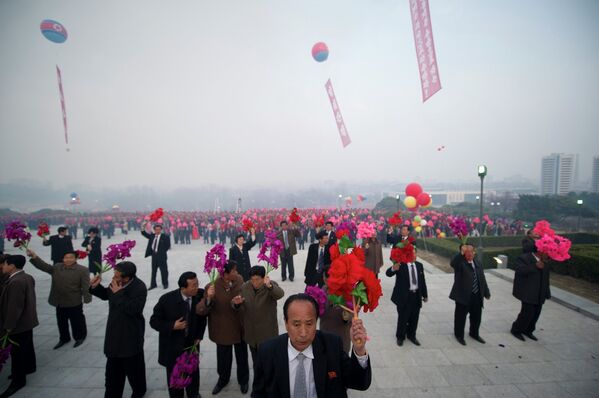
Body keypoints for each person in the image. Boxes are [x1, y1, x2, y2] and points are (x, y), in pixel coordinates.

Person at [252, 293, 372, 397]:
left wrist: (359, 349)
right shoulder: (267, 351)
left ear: (316, 321)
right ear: (286, 323)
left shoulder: (332, 345)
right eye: (296, 324)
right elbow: (259, 393)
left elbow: (359, 383)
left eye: (309, 324)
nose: (303, 333)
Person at [90, 262, 148, 398]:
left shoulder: (139, 287)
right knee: (112, 374)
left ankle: (139, 391)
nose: (113, 278)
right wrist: (95, 287)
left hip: (131, 335)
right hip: (114, 334)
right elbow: (106, 295)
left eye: (117, 276)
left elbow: (134, 309)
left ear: (126, 278)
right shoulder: (116, 283)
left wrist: (119, 294)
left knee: (135, 371)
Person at [150, 272, 207, 398]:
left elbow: (202, 318)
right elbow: (154, 321)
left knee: (193, 373)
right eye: (193, 285)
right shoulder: (166, 300)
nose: (197, 287)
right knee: (175, 380)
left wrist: (199, 336)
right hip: (173, 348)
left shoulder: (199, 295)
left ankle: (193, 394)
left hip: (191, 345)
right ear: (183, 288)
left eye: (197, 283)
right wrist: (172, 326)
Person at [197, 261, 250, 395]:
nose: (236, 273)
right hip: (222, 329)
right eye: (234, 271)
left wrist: (238, 303)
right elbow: (201, 310)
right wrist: (209, 297)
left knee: (242, 356)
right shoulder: (212, 286)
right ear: (225, 274)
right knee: (223, 359)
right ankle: (223, 379)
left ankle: (243, 380)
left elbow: (243, 298)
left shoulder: (240, 280)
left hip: (239, 327)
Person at [26, 249, 91, 349]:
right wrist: (34, 256)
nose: (68, 259)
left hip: (74, 301)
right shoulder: (57, 267)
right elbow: (44, 267)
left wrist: (87, 298)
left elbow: (86, 286)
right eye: (66, 258)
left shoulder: (82, 270)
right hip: (59, 300)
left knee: (77, 321)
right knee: (61, 321)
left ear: (76, 258)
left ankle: (80, 337)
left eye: (71, 257)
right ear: (63, 259)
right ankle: (64, 338)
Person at [0, 255, 38, 398]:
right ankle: (30, 367)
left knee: (17, 353)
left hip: (18, 324)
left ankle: (18, 381)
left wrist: (8, 326)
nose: (3, 266)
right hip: (28, 321)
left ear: (12, 265)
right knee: (27, 347)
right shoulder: (27, 277)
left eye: (4, 264)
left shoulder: (15, 282)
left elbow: (14, 308)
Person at [239, 266, 285, 368]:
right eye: (252, 280)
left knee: (269, 363)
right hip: (252, 334)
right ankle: (258, 382)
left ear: (263, 278)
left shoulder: (270, 286)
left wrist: (269, 286)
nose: (254, 282)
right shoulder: (245, 287)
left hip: (267, 334)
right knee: (256, 363)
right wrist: (236, 303)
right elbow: (239, 304)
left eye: (257, 280)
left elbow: (280, 294)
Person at [386, 246, 428, 346]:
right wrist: (393, 268)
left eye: (415, 253)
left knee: (414, 318)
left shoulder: (419, 265)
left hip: (416, 296)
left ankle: (412, 335)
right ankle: (400, 337)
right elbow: (388, 273)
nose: (413, 255)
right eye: (411, 254)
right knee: (403, 318)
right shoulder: (401, 265)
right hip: (404, 296)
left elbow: (422, 282)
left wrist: (425, 295)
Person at [449, 244, 491, 345]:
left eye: (471, 251)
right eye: (467, 252)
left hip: (477, 295)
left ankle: (474, 333)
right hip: (463, 295)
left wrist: (486, 292)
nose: (469, 254)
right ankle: (459, 335)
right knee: (460, 317)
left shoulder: (478, 263)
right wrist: (460, 254)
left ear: (474, 252)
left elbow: (482, 278)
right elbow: (453, 263)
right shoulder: (460, 263)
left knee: (476, 316)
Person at [510, 238, 551, 342]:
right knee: (527, 313)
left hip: (540, 293)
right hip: (528, 292)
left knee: (536, 313)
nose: (548, 253)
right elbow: (519, 270)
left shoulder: (545, 261)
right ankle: (516, 329)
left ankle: (529, 330)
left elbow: (546, 278)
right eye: (546, 251)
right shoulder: (524, 258)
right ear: (539, 250)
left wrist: (547, 291)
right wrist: (535, 266)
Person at [319, 270, 352, 354]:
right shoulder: (323, 289)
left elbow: (351, 312)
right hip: (325, 334)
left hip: (341, 337)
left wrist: (347, 317)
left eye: (325, 278)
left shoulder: (346, 293)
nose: (324, 280)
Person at [142, 222, 171, 290]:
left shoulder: (165, 236)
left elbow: (167, 246)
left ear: (161, 230)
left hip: (162, 256)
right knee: (154, 271)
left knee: (164, 271)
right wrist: (143, 227)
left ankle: (165, 283)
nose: (157, 231)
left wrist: (161, 252)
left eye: (159, 229)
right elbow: (144, 233)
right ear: (154, 230)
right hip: (154, 256)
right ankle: (153, 284)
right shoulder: (152, 236)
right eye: (156, 229)